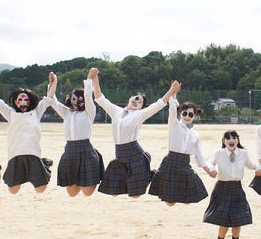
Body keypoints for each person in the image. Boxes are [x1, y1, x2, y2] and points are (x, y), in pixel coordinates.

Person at [91, 68, 181, 198]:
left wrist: (171, 90)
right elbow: (99, 98)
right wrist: (95, 78)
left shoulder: (140, 114)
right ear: (131, 97)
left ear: (141, 107)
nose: (137, 101)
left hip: (134, 153)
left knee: (136, 195)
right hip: (119, 154)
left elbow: (160, 103)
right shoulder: (116, 111)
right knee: (113, 192)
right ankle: (148, 174)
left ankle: (150, 175)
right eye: (136, 98)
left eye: (140, 102)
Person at [0, 72, 53, 194]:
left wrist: (54, 81)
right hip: (15, 154)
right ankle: (42, 164)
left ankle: (44, 165)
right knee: (13, 190)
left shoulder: (36, 112)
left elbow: (49, 98)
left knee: (40, 189)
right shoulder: (10, 113)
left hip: (33, 153)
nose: (22, 101)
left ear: (30, 101)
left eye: (25, 99)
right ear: (15, 101)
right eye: (20, 99)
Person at [204, 130, 261, 239]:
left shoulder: (243, 153)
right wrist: (211, 169)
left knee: (239, 217)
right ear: (223, 141)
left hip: (237, 188)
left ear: (238, 140)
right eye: (228, 138)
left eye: (234, 138)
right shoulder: (218, 153)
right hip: (222, 188)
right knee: (224, 219)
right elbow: (209, 163)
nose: (231, 140)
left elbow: (251, 164)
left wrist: (258, 167)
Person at [148, 86, 210, 205]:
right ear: (180, 113)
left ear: (194, 117)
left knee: (189, 200)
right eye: (185, 113)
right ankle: (154, 175)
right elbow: (172, 108)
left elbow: (198, 155)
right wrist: (173, 92)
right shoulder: (174, 124)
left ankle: (156, 175)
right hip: (170, 162)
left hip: (184, 164)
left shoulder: (194, 134)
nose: (187, 117)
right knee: (170, 203)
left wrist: (208, 170)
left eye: (190, 115)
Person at [46, 69, 104, 197]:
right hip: (70, 150)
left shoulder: (89, 112)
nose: (77, 100)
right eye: (74, 97)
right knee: (72, 193)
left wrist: (89, 79)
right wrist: (52, 82)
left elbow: (88, 97)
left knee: (87, 192)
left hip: (85, 149)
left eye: (79, 97)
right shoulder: (67, 113)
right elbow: (52, 100)